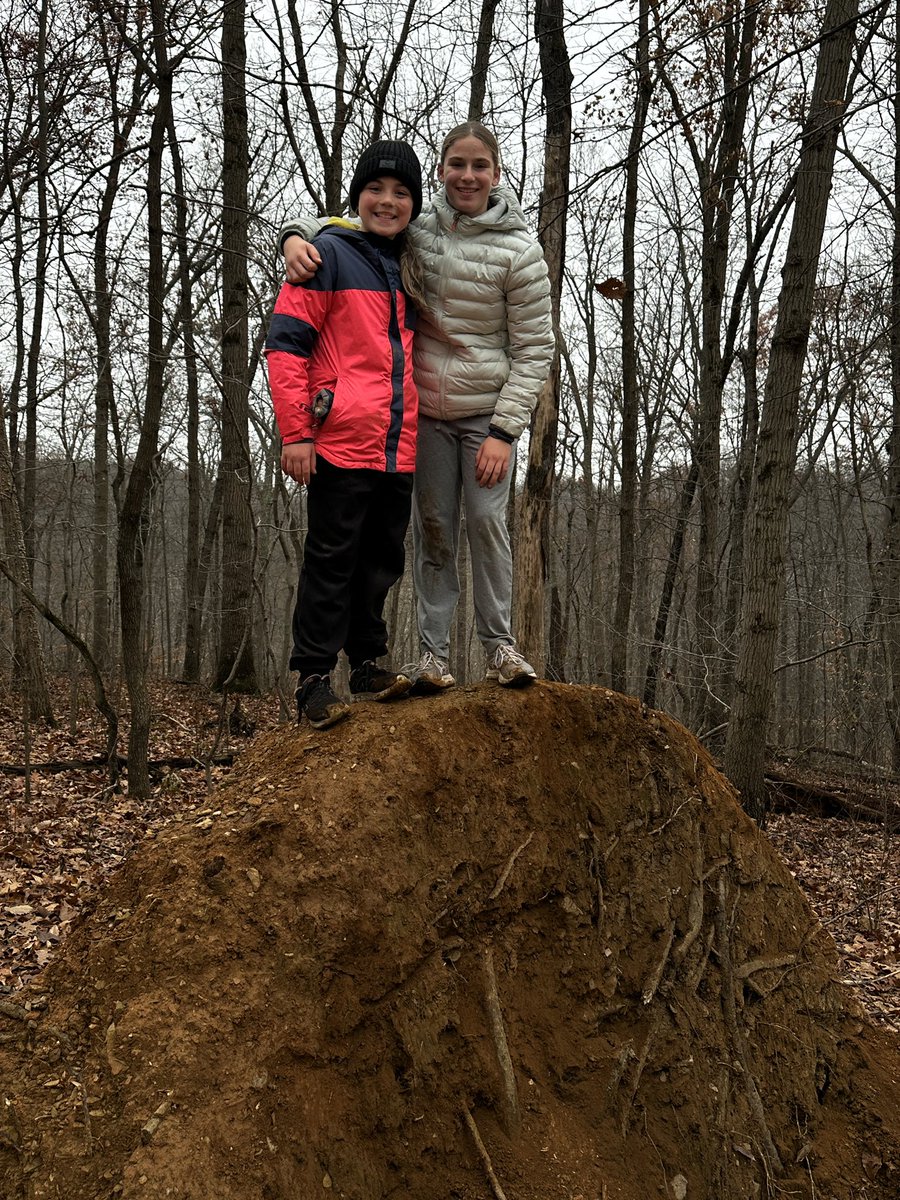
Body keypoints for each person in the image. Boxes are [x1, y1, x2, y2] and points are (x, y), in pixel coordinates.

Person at [281, 121, 554, 693]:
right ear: (442, 171)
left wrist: (506, 430)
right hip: (419, 413)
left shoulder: (520, 251)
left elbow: (535, 349)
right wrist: (292, 235)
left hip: (486, 414)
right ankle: (430, 656)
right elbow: (349, 225)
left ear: (497, 175)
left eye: (480, 166)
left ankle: (500, 646)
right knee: (432, 532)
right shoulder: (419, 231)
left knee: (484, 523)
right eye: (457, 164)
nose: (468, 176)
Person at [265, 140, 426, 729]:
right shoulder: (325, 253)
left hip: (399, 444)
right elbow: (284, 346)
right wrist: (296, 434)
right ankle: (312, 680)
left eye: (401, 192)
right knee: (332, 559)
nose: (387, 202)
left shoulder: (414, 260)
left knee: (381, 559)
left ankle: (365, 663)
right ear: (357, 196)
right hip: (337, 439)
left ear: (415, 202)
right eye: (375, 190)